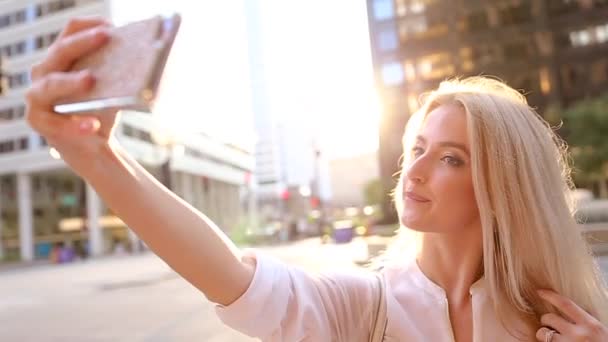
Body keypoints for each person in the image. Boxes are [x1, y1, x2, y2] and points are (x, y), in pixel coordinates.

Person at [25, 17, 608, 341]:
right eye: (418, 148)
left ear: (501, 186)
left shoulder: (564, 319)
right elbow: (233, 277)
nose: (416, 169)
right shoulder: (368, 306)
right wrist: (98, 158)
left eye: (451, 158)